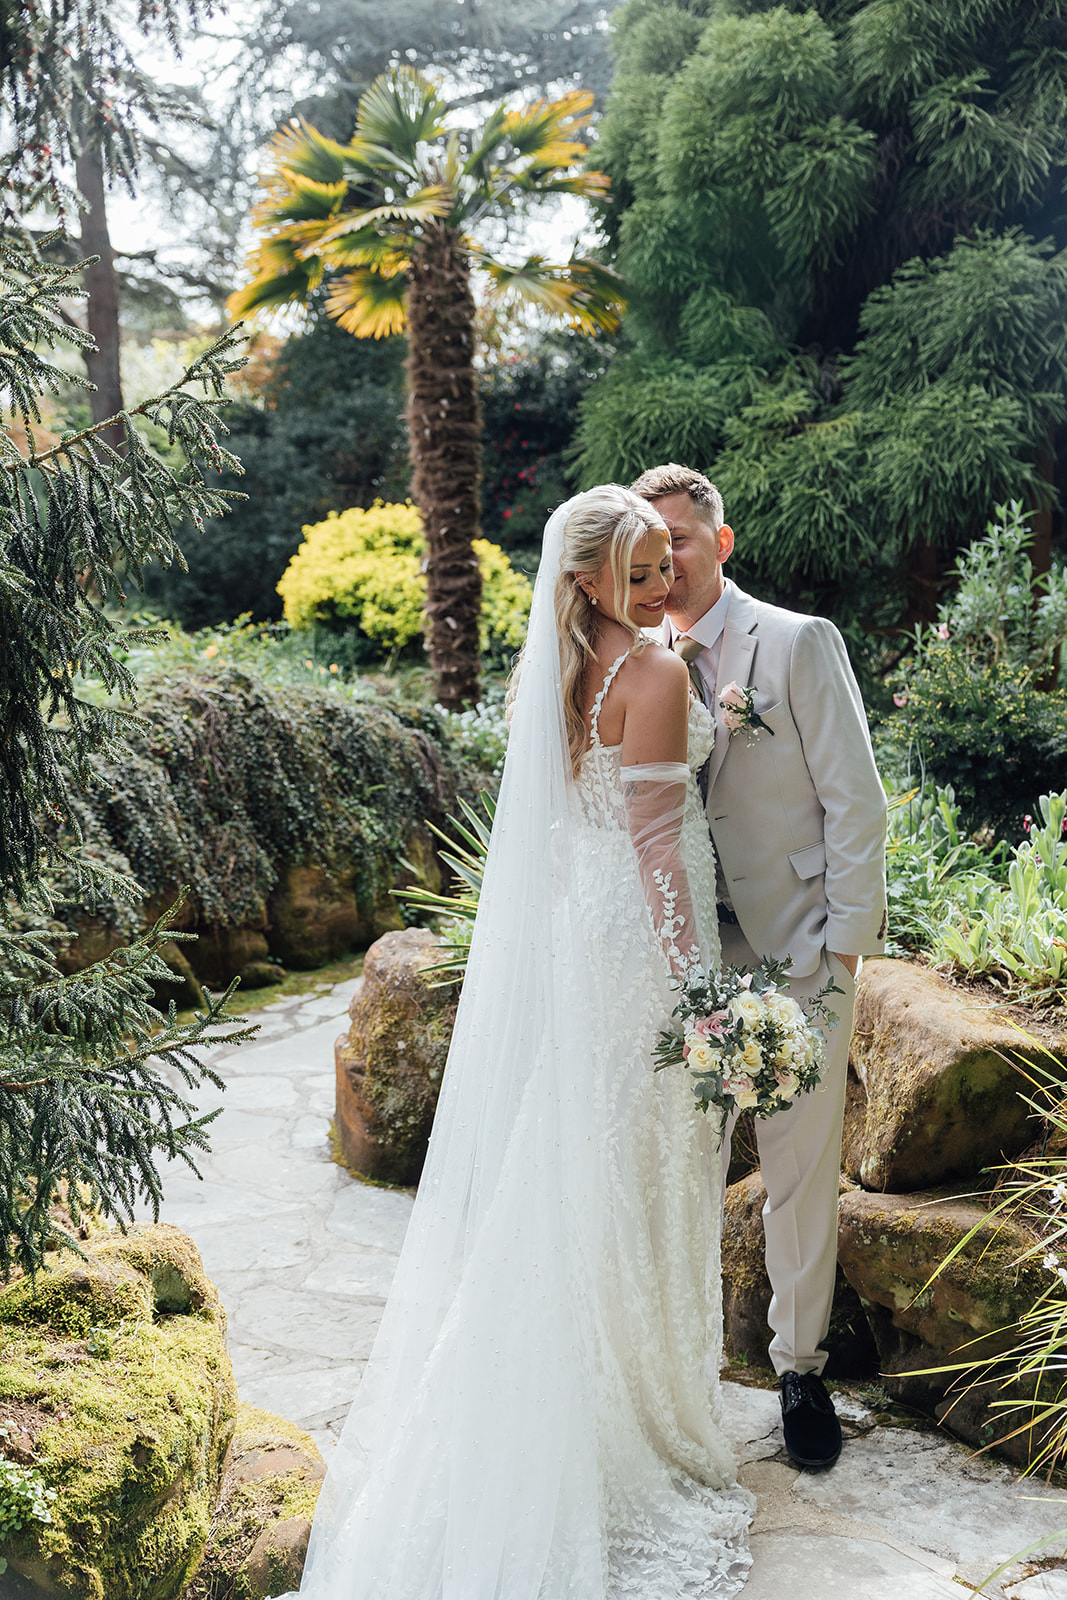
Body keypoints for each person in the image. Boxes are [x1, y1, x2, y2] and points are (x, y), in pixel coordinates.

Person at [279, 485, 754, 1600]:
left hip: (586, 937)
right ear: (586, 578)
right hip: (644, 946)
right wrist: (700, 992)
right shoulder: (653, 673)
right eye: (638, 573)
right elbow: (654, 840)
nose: (662, 587)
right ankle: (632, 1418)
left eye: (664, 566)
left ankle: (560, 1396)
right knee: (644, 1173)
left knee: (584, 1167)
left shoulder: (555, 671)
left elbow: (564, 827)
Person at [630, 462, 888, 1472]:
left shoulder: (791, 641)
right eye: (647, 547)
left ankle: (798, 1371)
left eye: (679, 541)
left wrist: (842, 950)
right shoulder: (637, 658)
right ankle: (675, 1371)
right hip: (688, 960)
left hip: (796, 950)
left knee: (796, 1170)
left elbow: (854, 799)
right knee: (681, 1161)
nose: (664, 562)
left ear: (720, 542)